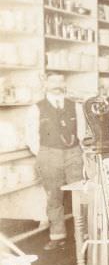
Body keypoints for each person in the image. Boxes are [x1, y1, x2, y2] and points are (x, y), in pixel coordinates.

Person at [26, 74, 83, 250]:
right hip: (49, 154)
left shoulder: (77, 106)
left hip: (74, 153)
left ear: (64, 84)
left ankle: (83, 234)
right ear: (46, 84)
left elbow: (82, 132)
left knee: (81, 194)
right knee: (54, 196)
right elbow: (31, 136)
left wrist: (78, 151)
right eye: (53, 81)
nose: (57, 85)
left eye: (60, 81)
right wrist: (44, 153)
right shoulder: (36, 108)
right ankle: (58, 236)